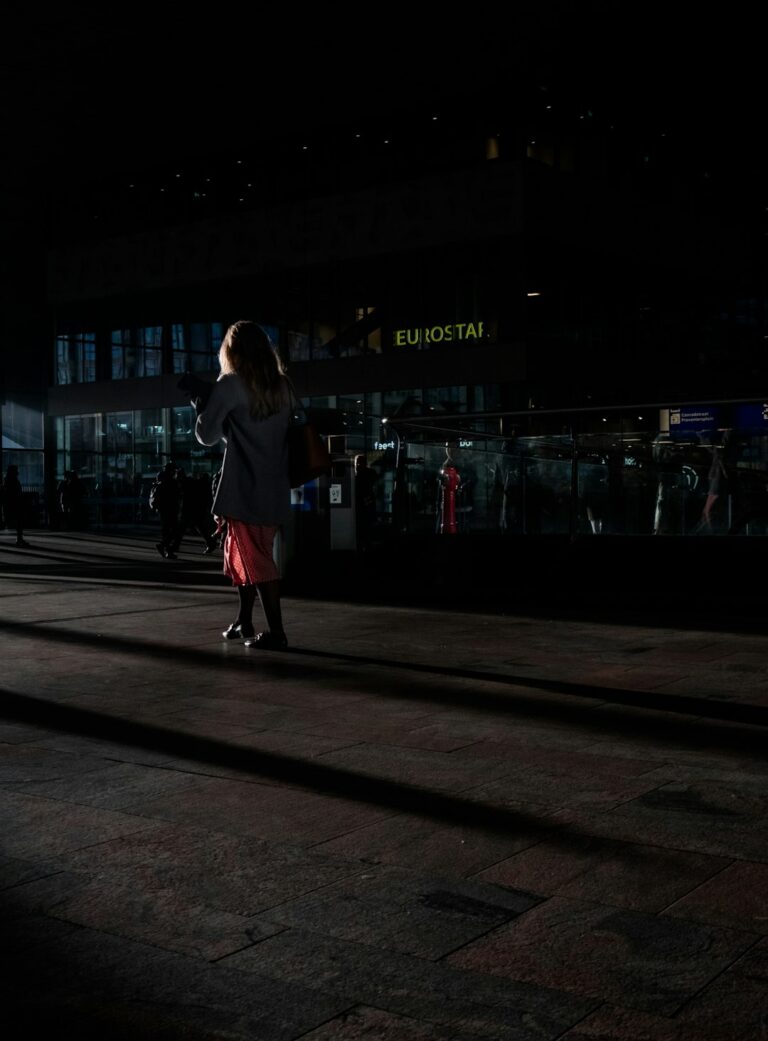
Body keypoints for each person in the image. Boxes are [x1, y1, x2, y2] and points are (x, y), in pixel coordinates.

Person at [194, 320, 291, 650]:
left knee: (256, 559)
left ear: (231, 350)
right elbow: (249, 435)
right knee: (247, 553)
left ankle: (276, 632)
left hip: (244, 489)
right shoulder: (282, 386)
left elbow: (207, 437)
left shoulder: (230, 383)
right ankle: (244, 620)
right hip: (274, 488)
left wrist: (201, 410)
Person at [151, 461, 182, 558]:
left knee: (166, 530)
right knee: (175, 530)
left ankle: (167, 550)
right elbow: (176, 496)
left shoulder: (160, 480)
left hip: (163, 510)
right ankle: (165, 547)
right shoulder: (171, 481)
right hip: (170, 509)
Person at [353, 454, 377, 550]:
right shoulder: (368, 473)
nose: (358, 464)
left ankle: (365, 543)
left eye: (359, 462)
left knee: (365, 525)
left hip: (364, 502)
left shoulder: (364, 474)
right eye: (357, 463)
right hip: (363, 502)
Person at [2, 465, 29, 546]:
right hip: (14, 504)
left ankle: (19, 539)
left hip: (12, 504)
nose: (18, 471)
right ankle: (19, 539)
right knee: (17, 521)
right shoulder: (12, 480)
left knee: (15, 521)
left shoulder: (8, 479)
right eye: (16, 470)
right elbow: (13, 493)